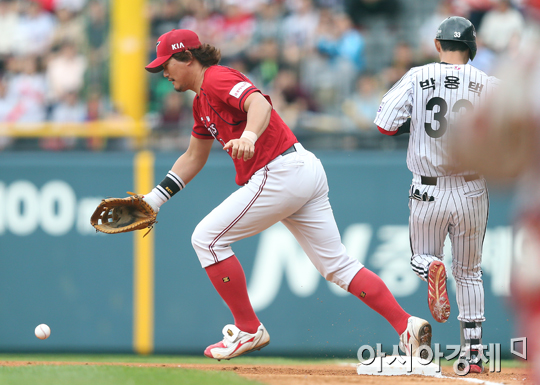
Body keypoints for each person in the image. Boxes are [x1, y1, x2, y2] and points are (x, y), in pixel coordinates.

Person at [143, 29, 432, 360]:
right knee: (337, 265)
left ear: (188, 58)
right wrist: (154, 199)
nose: (163, 73)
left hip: (280, 171)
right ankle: (406, 324)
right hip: (300, 169)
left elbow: (258, 104)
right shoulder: (200, 103)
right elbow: (193, 157)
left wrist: (249, 136)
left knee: (206, 239)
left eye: (166, 64)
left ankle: (248, 328)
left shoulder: (215, 79)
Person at [374, 17, 499, 374]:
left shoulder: (417, 76)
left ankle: (431, 267)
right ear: (472, 47)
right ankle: (473, 356)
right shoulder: (488, 83)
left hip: (428, 187)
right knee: (470, 273)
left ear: (438, 44)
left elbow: (384, 124)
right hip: (472, 188)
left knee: (421, 258)